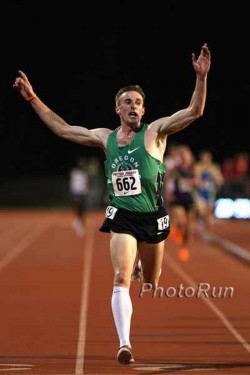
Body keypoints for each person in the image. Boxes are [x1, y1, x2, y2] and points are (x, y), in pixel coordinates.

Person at [13, 43, 211, 365]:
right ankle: (125, 344)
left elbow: (194, 112)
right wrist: (33, 98)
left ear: (144, 111)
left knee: (151, 281)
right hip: (122, 216)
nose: (134, 106)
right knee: (120, 277)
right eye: (127, 102)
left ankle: (140, 267)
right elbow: (62, 129)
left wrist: (201, 78)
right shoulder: (104, 138)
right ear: (117, 109)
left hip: (153, 217)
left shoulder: (156, 133)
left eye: (138, 102)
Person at [164, 144, 197, 261]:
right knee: (181, 221)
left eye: (186, 154)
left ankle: (184, 247)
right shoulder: (175, 168)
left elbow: (198, 182)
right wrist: (168, 192)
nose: (184, 157)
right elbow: (167, 179)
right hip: (177, 199)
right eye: (182, 155)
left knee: (189, 229)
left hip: (189, 199)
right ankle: (176, 230)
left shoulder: (192, 168)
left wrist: (193, 182)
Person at [194, 149, 224, 230]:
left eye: (207, 157)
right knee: (201, 209)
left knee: (209, 213)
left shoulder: (214, 167)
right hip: (200, 192)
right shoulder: (198, 166)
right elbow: (196, 179)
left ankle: (205, 227)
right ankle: (201, 223)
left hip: (210, 192)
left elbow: (220, 180)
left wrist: (216, 177)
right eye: (204, 157)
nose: (206, 159)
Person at [69, 156, 89, 236]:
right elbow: (72, 183)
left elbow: (86, 183)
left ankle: (78, 221)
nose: (82, 166)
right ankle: (79, 223)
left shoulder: (85, 173)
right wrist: (71, 192)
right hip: (76, 193)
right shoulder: (75, 173)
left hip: (83, 193)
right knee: (78, 208)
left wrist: (86, 190)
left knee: (82, 209)